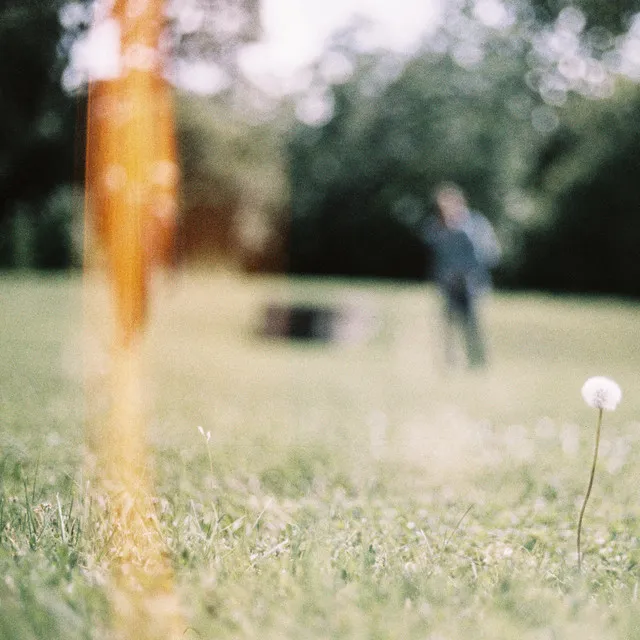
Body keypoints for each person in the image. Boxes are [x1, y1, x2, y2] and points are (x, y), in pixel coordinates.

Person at [423, 182, 500, 368]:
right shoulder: (438, 226)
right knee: (448, 324)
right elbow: (430, 242)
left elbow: (491, 254)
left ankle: (478, 362)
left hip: (472, 283)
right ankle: (450, 362)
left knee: (473, 324)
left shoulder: (476, 223)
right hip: (449, 284)